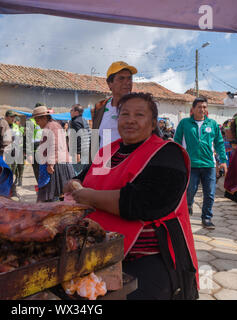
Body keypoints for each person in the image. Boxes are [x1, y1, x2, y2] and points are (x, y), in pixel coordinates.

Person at [64, 92, 198, 300]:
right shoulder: (108, 152)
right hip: (95, 252)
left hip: (148, 259)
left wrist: (89, 197)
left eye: (139, 115)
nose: (130, 120)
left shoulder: (167, 154)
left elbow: (144, 203)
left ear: (153, 123)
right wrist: (74, 185)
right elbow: (84, 179)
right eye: (124, 114)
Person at [174, 97, 228, 229]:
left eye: (204, 107)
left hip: (209, 164)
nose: (202, 109)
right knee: (190, 191)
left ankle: (207, 218)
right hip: (190, 164)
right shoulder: (184, 123)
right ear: (192, 109)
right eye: (199, 107)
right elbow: (177, 142)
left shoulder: (212, 124)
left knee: (210, 193)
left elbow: (219, 143)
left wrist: (223, 161)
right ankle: (189, 204)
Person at [32, 105, 74, 202]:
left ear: (44, 118)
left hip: (56, 164)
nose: (37, 124)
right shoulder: (52, 125)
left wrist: (51, 164)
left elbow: (54, 145)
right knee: (60, 194)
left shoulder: (51, 127)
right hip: (58, 162)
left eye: (37, 121)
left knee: (53, 194)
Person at [91, 61, 137, 149]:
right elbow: (95, 138)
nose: (127, 82)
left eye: (129, 78)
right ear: (110, 84)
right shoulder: (99, 107)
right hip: (103, 161)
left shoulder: (140, 107)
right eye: (121, 78)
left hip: (128, 161)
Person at [69, 104, 91, 174]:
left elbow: (78, 138)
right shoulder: (84, 120)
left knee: (76, 173)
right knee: (84, 173)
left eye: (71, 110)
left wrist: (78, 153)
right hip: (86, 150)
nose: (70, 112)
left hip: (80, 151)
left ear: (76, 112)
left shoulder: (75, 121)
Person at [5, 111, 25, 187]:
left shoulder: (16, 127)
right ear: (6, 117)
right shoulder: (4, 125)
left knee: (17, 166)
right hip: (8, 151)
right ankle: (10, 182)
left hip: (17, 149)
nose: (13, 119)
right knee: (9, 167)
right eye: (11, 117)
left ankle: (18, 178)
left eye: (14, 117)